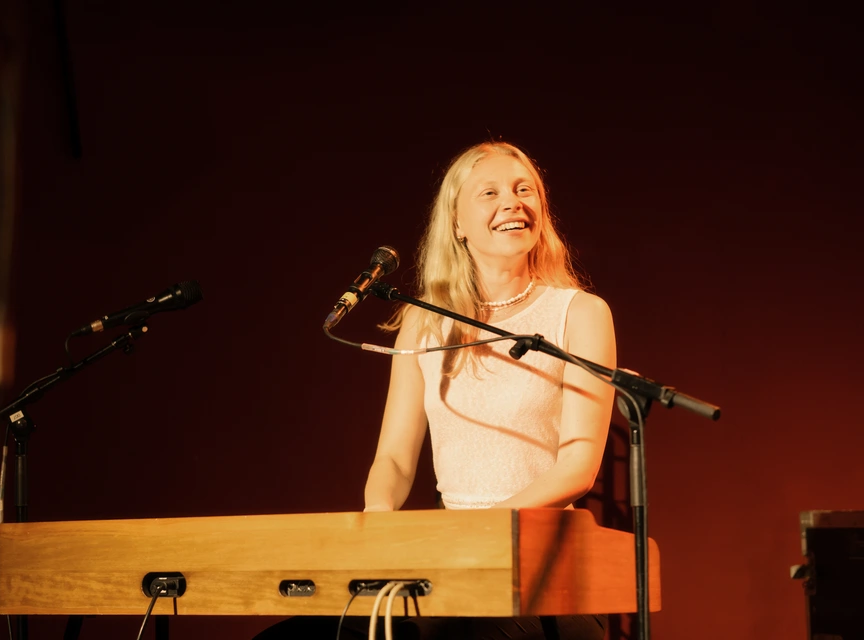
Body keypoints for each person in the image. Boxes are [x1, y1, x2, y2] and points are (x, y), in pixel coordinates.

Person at [255, 141, 615, 639]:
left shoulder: (579, 313)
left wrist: (479, 532)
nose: (512, 202)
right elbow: (395, 461)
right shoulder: (423, 324)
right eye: (489, 192)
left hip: (544, 573)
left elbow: (578, 466)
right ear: (457, 224)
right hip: (449, 566)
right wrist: (379, 518)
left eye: (523, 189)